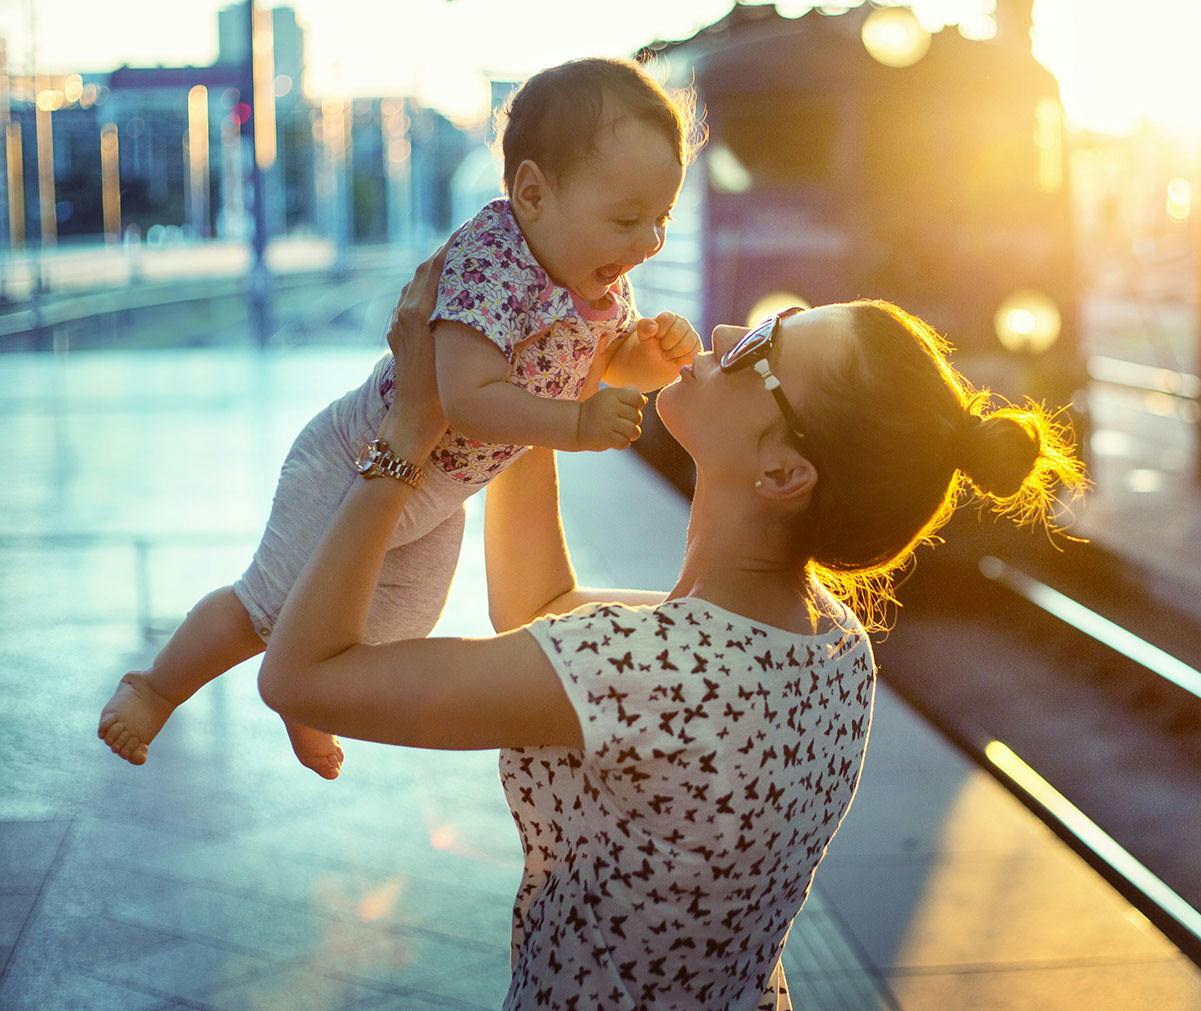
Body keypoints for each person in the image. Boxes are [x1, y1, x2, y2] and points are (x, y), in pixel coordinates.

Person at [253, 239, 1085, 1008]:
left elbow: (302, 679)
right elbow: (540, 609)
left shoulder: (640, 670)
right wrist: (546, 388)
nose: (726, 330)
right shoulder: (828, 646)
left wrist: (408, 432)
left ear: (784, 470)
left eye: (763, 347)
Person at [97, 57, 706, 777]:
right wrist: (575, 428)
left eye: (661, 220)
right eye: (627, 219)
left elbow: (602, 361)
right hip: (359, 460)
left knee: (378, 646)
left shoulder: (594, 273)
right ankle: (157, 686)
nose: (649, 244)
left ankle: (310, 691)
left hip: (437, 497)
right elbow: (464, 397)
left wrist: (652, 356)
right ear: (533, 193)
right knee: (262, 607)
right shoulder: (493, 262)